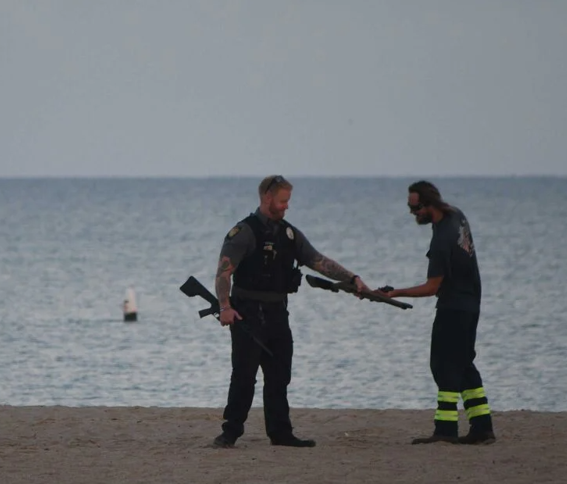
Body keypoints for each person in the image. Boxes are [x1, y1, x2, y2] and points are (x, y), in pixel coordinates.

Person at [211, 174, 369, 449]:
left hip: (277, 313)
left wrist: (351, 279)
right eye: (283, 201)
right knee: (244, 376)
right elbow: (223, 272)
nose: (287, 206)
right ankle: (230, 433)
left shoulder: (289, 234)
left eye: (288, 201)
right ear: (267, 198)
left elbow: (318, 261)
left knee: (279, 375)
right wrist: (225, 307)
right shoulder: (244, 232)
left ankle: (280, 433)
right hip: (247, 313)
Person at [382, 180, 496, 445]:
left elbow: (432, 287)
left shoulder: (442, 240)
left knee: (443, 365)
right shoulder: (456, 215)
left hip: (453, 308)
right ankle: (482, 427)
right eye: (410, 207)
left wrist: (395, 292)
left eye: (416, 208)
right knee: (464, 363)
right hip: (471, 303)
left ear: (430, 204)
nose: (413, 213)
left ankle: (445, 430)